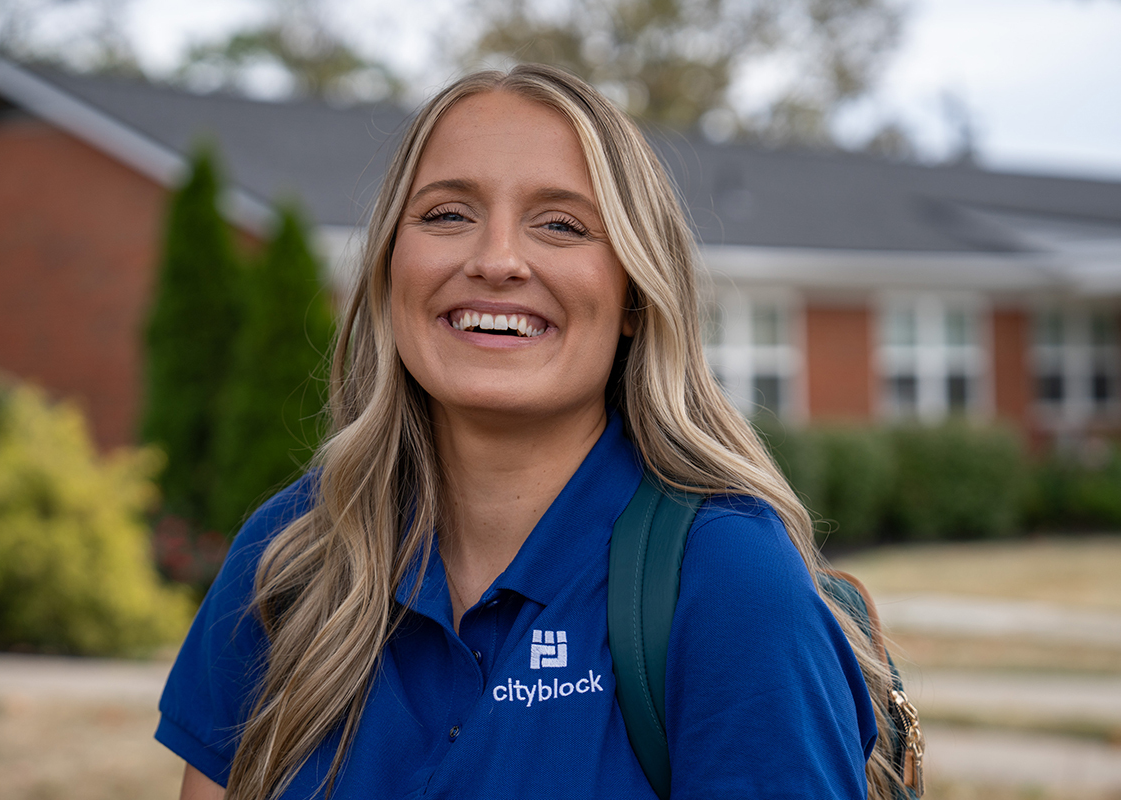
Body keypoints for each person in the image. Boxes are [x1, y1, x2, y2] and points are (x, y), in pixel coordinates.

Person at [156, 64, 902, 800]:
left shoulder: (728, 582)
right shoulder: (290, 555)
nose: (496, 261)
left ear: (636, 296)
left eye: (560, 224)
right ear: (389, 269)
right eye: (448, 214)